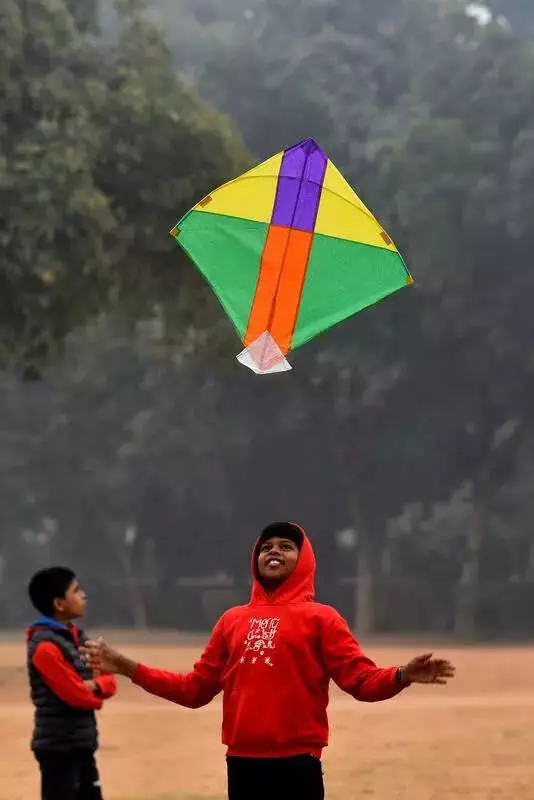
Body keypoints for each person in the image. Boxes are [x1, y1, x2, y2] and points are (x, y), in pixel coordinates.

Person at [84, 523, 455, 800]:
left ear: (303, 560)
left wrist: (402, 675)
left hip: (297, 764)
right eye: (266, 547)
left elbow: (360, 680)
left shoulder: (322, 618)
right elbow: (194, 690)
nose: (273, 552)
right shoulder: (231, 621)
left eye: (286, 546)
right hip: (242, 764)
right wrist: (128, 667)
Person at [27, 566, 117, 799]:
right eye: (76, 591)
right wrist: (95, 692)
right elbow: (78, 697)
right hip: (57, 749)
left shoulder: (80, 639)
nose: (83, 595)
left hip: (82, 744)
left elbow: (110, 680)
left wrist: (96, 686)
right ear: (59, 604)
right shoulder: (45, 647)